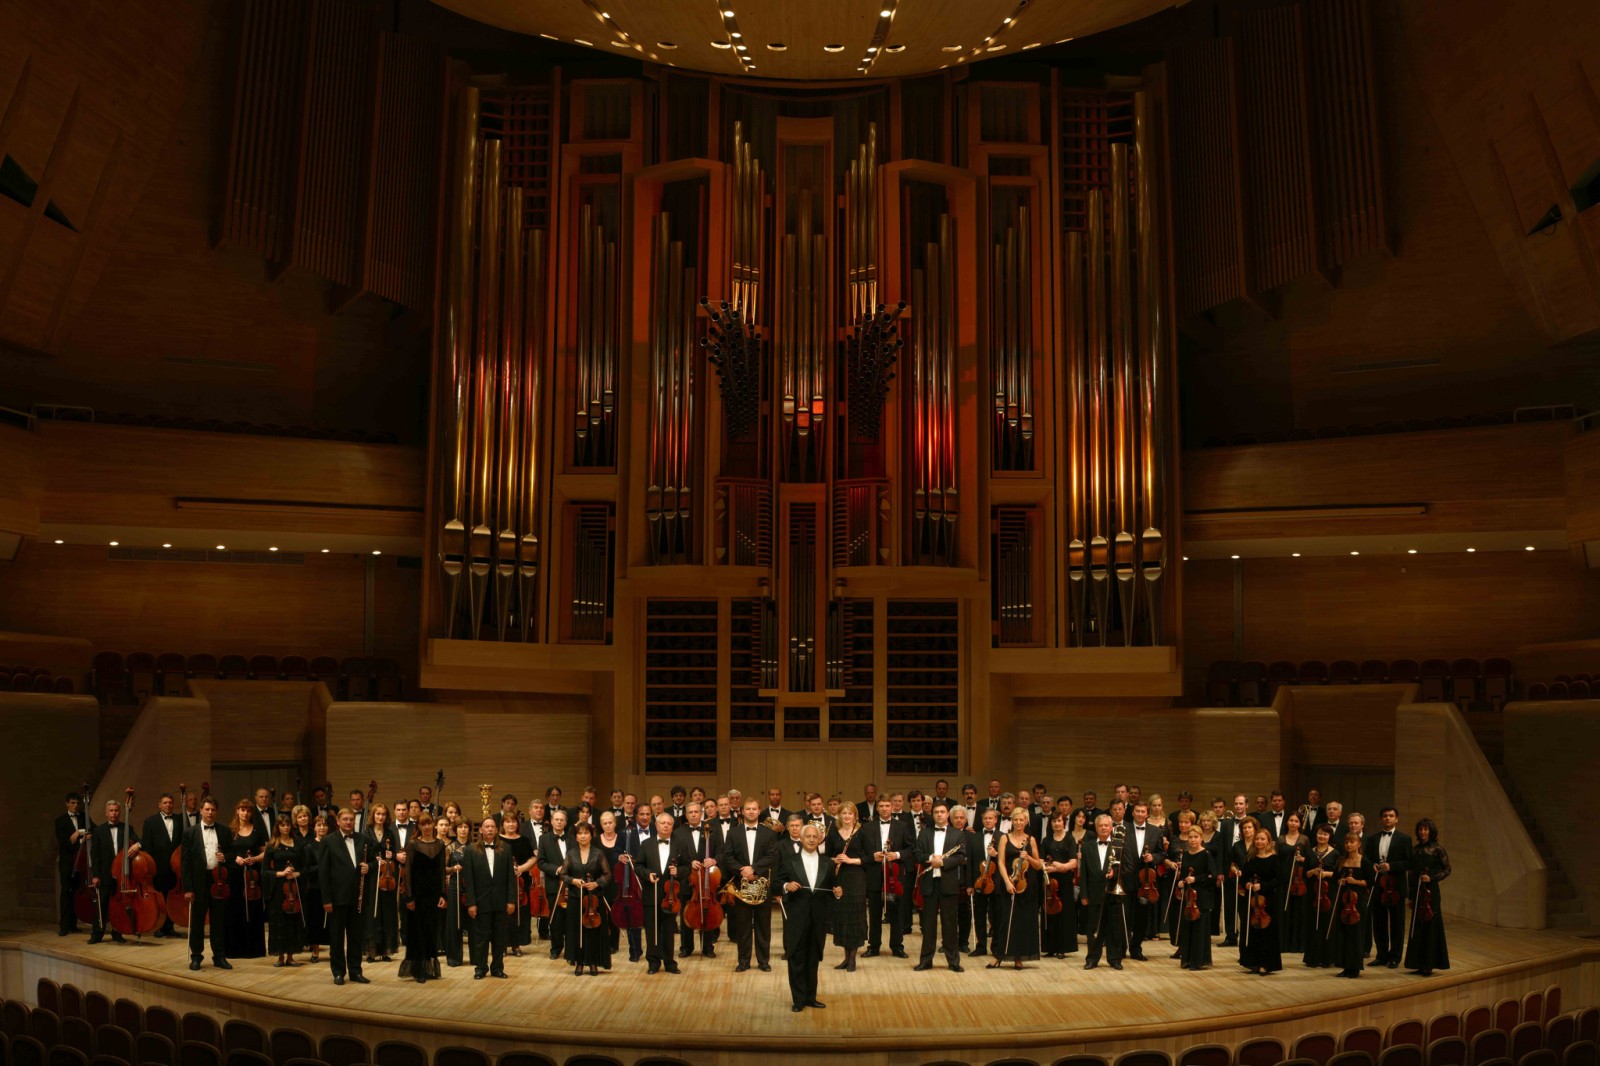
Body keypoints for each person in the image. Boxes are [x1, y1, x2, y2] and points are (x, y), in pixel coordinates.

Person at [776, 824, 840, 1012]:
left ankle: (811, 997)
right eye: (808, 836)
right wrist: (786, 886)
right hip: (796, 918)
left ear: (820, 839)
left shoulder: (829, 863)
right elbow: (775, 884)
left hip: (818, 920)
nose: (811, 839)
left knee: (813, 959)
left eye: (815, 836)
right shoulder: (789, 862)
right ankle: (798, 1000)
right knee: (796, 958)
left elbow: (832, 889)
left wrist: (838, 893)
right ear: (801, 839)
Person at [717, 798, 779, 972]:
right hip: (741, 884)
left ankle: (763, 961)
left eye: (754, 809)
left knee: (763, 925)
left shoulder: (769, 833)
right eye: (748, 809)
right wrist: (742, 870)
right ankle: (743, 961)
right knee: (743, 926)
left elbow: (772, 855)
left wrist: (754, 869)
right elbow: (728, 856)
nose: (751, 811)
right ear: (742, 811)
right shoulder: (733, 833)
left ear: (759, 811)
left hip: (762, 885)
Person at [319, 807, 373, 986]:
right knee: (336, 938)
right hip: (336, 898)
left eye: (351, 819)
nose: (349, 822)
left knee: (356, 937)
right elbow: (323, 872)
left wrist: (370, 867)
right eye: (345, 819)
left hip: (358, 897)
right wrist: (326, 899)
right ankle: (338, 972)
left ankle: (356, 971)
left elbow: (374, 860)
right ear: (338, 822)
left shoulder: (364, 839)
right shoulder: (328, 841)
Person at [179, 796, 232, 971]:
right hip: (198, 882)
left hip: (218, 880)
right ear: (201, 810)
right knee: (197, 922)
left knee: (218, 921)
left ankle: (219, 956)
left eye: (213, 810)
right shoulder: (190, 833)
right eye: (207, 809)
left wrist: (225, 858)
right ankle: (196, 957)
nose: (210, 812)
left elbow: (232, 854)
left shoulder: (224, 831)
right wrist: (188, 888)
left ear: (216, 812)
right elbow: (185, 863)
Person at [988, 802, 1043, 969]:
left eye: (1021, 820)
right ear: (1012, 821)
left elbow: (1038, 865)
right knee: (1006, 920)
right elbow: (1001, 862)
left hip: (1027, 885)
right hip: (1009, 882)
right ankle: (999, 955)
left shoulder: (1031, 840)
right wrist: (1006, 882)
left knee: (1023, 922)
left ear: (1026, 821)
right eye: (1016, 819)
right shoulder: (1004, 838)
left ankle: (1019, 957)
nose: (1018, 822)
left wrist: (1029, 857)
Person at [913, 803, 967, 971]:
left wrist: (942, 862)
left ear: (948, 814)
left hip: (949, 884)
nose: (939, 814)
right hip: (929, 884)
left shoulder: (957, 834)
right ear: (933, 815)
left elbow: (961, 857)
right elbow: (917, 854)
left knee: (950, 925)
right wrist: (931, 858)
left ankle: (953, 962)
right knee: (928, 925)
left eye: (942, 812)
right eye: (936, 812)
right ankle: (926, 961)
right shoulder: (924, 833)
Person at [461, 817, 513, 979]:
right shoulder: (470, 850)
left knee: (499, 938)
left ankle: (497, 968)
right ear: (481, 830)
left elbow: (510, 877)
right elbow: (468, 880)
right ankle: (480, 968)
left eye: (492, 827)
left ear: (496, 830)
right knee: (480, 938)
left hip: (500, 900)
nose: (490, 829)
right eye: (486, 826)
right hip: (480, 901)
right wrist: (471, 903)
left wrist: (511, 900)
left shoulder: (506, 848)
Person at [639, 812, 690, 974]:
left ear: (672, 826)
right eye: (663, 823)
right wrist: (647, 874)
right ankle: (653, 962)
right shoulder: (646, 844)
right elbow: (638, 866)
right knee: (652, 930)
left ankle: (669, 962)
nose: (666, 826)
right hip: (651, 893)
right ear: (656, 825)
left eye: (669, 823)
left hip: (671, 896)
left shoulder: (680, 844)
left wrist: (678, 871)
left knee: (669, 930)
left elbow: (687, 866)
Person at [560, 821, 613, 976]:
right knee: (576, 931)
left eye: (586, 833)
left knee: (594, 931)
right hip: (576, 898)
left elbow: (607, 874)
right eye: (580, 833)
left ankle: (593, 962)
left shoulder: (599, 853)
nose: (583, 836)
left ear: (591, 835)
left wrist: (596, 883)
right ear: (576, 837)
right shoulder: (571, 853)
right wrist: (574, 881)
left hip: (594, 899)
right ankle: (579, 962)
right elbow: (563, 874)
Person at [862, 796, 912, 959]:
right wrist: (872, 856)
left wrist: (896, 854)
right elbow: (861, 851)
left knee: (896, 913)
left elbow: (911, 849)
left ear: (892, 807)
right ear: (877, 808)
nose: (884, 808)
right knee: (874, 913)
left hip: (894, 876)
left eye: (887, 805)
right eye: (881, 806)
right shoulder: (867, 827)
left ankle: (897, 946)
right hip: (874, 874)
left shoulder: (902, 826)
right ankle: (873, 946)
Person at [87, 797, 142, 944]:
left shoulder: (127, 828)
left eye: (116, 810)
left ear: (120, 812)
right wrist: (96, 875)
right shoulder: (98, 831)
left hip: (122, 874)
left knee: (120, 905)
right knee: (102, 905)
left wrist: (137, 845)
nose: (114, 813)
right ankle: (97, 934)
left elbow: (140, 840)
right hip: (105, 874)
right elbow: (95, 855)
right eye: (111, 811)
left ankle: (118, 932)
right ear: (106, 813)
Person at [401, 812, 446, 983]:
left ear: (433, 825)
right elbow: (408, 871)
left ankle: (428, 968)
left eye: (429, 823)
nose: (427, 827)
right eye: (423, 824)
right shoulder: (413, 844)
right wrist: (409, 897)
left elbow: (442, 871)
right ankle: (418, 969)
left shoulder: (440, 844)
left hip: (433, 894)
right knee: (417, 932)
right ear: (419, 826)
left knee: (430, 931)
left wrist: (442, 894)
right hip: (417, 894)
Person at [1365, 806, 1412, 969]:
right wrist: (1372, 865)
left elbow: (1409, 862)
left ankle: (1395, 957)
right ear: (1381, 819)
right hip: (1378, 886)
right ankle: (1381, 955)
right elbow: (1367, 859)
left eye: (1391, 816)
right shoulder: (1372, 839)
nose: (1387, 818)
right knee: (1379, 923)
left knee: (1397, 924)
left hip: (1396, 888)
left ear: (1396, 819)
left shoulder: (1404, 839)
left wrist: (1391, 866)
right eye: (1385, 816)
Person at [1403, 817, 1450, 976]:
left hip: (1431, 892)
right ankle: (1418, 963)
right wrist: (1410, 897)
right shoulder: (1415, 850)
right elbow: (1411, 873)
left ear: (1431, 831)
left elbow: (1447, 869)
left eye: (1426, 829)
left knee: (1431, 926)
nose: (1422, 832)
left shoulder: (1438, 849)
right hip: (1417, 890)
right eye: (1420, 829)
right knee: (1418, 927)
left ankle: (1429, 964)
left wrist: (1432, 878)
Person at [675, 801, 720, 958]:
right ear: (686, 815)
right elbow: (674, 856)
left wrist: (714, 860)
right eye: (690, 812)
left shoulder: (712, 830)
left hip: (708, 880)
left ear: (701, 813)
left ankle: (708, 947)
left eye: (696, 812)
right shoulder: (678, 833)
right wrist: (689, 863)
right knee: (687, 914)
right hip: (688, 880)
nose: (693, 814)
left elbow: (722, 851)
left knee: (707, 912)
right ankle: (686, 947)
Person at [826, 803, 867, 970]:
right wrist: (834, 860)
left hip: (857, 879)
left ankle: (852, 959)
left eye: (850, 813)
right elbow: (826, 856)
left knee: (855, 918)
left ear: (855, 816)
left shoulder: (862, 832)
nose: (847, 816)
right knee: (842, 917)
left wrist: (851, 860)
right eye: (844, 813)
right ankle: (846, 958)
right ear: (839, 815)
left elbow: (869, 858)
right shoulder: (833, 833)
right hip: (839, 878)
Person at [1079, 814, 1123, 970]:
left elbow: (1127, 867)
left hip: (1113, 893)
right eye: (1100, 825)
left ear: (1111, 827)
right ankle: (1092, 958)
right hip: (1094, 894)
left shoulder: (1119, 845)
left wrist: (1115, 873)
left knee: (1114, 929)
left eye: (1106, 825)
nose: (1104, 828)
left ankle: (1114, 959)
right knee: (1093, 929)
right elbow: (1083, 873)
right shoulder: (1087, 846)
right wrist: (1084, 894)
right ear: (1096, 828)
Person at [224, 799, 266, 958]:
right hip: (235, 875)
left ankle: (254, 949)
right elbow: (225, 852)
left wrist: (254, 859)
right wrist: (235, 858)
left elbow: (265, 852)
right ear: (237, 811)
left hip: (253, 875)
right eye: (242, 810)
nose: (245, 813)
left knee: (253, 910)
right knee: (235, 909)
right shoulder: (230, 831)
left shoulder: (257, 830)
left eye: (248, 810)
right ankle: (235, 949)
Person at [597, 811, 640, 962]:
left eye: (610, 822)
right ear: (601, 825)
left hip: (619, 880)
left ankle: (613, 944)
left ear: (615, 823)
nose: (608, 825)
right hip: (603, 880)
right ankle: (602, 942)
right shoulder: (596, 840)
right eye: (605, 823)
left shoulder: (622, 838)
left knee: (615, 912)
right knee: (602, 912)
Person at [263, 815, 305, 967]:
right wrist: (281, 873)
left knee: (293, 921)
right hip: (279, 888)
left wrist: (296, 874)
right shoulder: (272, 845)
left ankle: (291, 956)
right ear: (278, 827)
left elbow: (305, 867)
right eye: (282, 825)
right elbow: (265, 871)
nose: (286, 828)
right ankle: (280, 956)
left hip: (294, 887)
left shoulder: (298, 843)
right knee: (279, 920)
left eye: (288, 825)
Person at [1239, 828, 1282, 976]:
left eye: (1262, 839)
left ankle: (1266, 964)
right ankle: (1254, 963)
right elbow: (1244, 877)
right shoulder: (1250, 858)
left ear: (1268, 841)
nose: (1259, 841)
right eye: (1257, 839)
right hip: (1252, 901)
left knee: (1267, 932)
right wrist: (1246, 884)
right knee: (1253, 931)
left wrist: (1262, 886)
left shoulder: (1274, 859)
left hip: (1268, 901)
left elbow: (1279, 880)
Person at [1331, 829, 1373, 978]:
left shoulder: (1365, 861)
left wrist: (1355, 882)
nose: (1349, 845)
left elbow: (1371, 882)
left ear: (1358, 844)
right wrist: (1340, 881)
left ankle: (1355, 968)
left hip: (1358, 903)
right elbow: (1334, 879)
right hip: (1344, 902)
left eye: (1352, 842)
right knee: (1344, 934)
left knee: (1356, 935)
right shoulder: (1341, 861)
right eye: (1347, 842)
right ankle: (1345, 966)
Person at [141, 793, 182, 938]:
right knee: (160, 899)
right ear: (159, 805)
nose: (168, 805)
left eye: (170, 802)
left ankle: (170, 927)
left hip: (175, 867)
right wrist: (151, 868)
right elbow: (147, 846)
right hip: (158, 867)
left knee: (172, 900)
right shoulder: (150, 822)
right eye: (165, 802)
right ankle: (159, 926)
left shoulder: (180, 820)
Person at [1126, 801, 1166, 950]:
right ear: (1132, 813)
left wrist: (1153, 857)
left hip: (1146, 881)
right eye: (1137, 811)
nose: (1140, 814)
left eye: (1143, 811)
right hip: (1127, 878)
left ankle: (1136, 948)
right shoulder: (1123, 829)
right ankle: (1121, 948)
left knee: (1141, 917)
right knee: (1126, 916)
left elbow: (1162, 853)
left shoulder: (1155, 831)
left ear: (1147, 814)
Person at [1173, 825, 1214, 970]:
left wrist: (1196, 879)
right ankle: (1188, 959)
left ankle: (1198, 961)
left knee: (1199, 929)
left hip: (1201, 897)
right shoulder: (1186, 855)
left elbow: (1212, 877)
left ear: (1201, 838)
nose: (1192, 840)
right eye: (1190, 837)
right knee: (1188, 928)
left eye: (1196, 837)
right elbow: (1185, 874)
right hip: (1189, 897)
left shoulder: (1206, 854)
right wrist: (1181, 882)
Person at [362, 803, 398, 962]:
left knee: (387, 913)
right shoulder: (366, 833)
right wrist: (373, 859)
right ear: (373, 815)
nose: (381, 817)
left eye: (383, 814)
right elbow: (362, 853)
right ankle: (372, 951)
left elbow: (395, 854)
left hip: (386, 875)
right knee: (372, 914)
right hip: (372, 876)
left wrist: (391, 855)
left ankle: (384, 951)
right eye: (378, 814)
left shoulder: (390, 833)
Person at [1040, 811, 1079, 958]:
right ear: (1050, 823)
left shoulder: (1070, 839)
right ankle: (1050, 947)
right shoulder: (1046, 840)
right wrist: (1047, 867)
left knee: (1065, 914)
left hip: (1065, 881)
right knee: (1049, 913)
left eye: (1059, 821)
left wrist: (1059, 867)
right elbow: (1041, 860)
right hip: (1049, 881)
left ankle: (1063, 947)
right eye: (1054, 821)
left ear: (1064, 822)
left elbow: (1073, 862)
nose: (1057, 824)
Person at [537, 807, 572, 959]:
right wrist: (556, 869)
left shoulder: (573, 838)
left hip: (571, 884)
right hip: (553, 884)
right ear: (551, 821)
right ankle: (556, 948)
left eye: (561, 820)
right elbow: (541, 862)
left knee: (571, 919)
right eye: (556, 819)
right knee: (556, 919)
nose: (559, 822)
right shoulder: (544, 839)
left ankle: (571, 949)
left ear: (565, 822)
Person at [56, 792, 92, 937]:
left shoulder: (84, 817)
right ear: (67, 804)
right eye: (72, 803)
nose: (75, 805)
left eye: (77, 803)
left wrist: (80, 832)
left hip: (82, 862)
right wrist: (79, 839)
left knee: (77, 892)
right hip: (67, 863)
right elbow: (64, 843)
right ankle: (64, 926)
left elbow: (94, 829)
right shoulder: (60, 821)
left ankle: (73, 924)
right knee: (66, 893)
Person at [1303, 823, 1338, 969]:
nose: (1322, 836)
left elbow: (1338, 874)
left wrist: (1326, 874)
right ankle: (1312, 958)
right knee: (1312, 924)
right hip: (1313, 892)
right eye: (1319, 833)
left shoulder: (1335, 853)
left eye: (1325, 834)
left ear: (1330, 836)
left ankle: (1327, 958)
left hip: (1328, 893)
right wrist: (1313, 872)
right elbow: (1305, 873)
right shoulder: (1309, 852)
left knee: (1327, 923)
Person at [499, 812, 534, 956]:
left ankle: (516, 945)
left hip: (521, 881)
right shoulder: (498, 840)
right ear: (503, 824)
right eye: (507, 822)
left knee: (521, 914)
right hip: (502, 881)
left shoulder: (524, 840)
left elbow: (533, 858)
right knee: (503, 914)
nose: (511, 824)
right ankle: (501, 945)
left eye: (513, 822)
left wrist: (521, 868)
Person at [1276, 812, 1309, 955]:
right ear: (1287, 822)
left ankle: (1297, 944)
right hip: (1284, 879)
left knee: (1298, 912)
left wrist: (1303, 859)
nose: (1293, 823)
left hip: (1298, 880)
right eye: (1291, 820)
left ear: (1300, 824)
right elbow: (1276, 859)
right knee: (1284, 911)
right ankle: (1284, 944)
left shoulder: (1305, 839)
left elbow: (1310, 859)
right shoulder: (1280, 839)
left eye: (1296, 821)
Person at [444, 821, 471, 968]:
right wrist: (453, 868)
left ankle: (476, 957)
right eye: (460, 827)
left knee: (474, 922)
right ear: (455, 830)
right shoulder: (449, 848)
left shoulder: (475, 847)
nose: (463, 830)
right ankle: (454, 957)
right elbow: (443, 868)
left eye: (466, 827)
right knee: (454, 922)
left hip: (471, 887)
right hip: (455, 886)